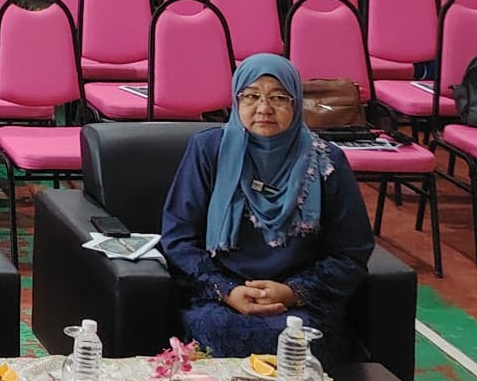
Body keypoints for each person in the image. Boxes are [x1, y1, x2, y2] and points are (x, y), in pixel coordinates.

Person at [159, 55, 376, 358]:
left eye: (278, 98)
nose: (264, 108)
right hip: (220, 297)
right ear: (236, 101)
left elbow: (351, 251)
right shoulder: (208, 151)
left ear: (296, 103)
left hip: (300, 302)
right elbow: (178, 237)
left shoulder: (327, 161)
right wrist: (227, 290)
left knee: (296, 339)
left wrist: (292, 293)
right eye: (251, 96)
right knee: (218, 330)